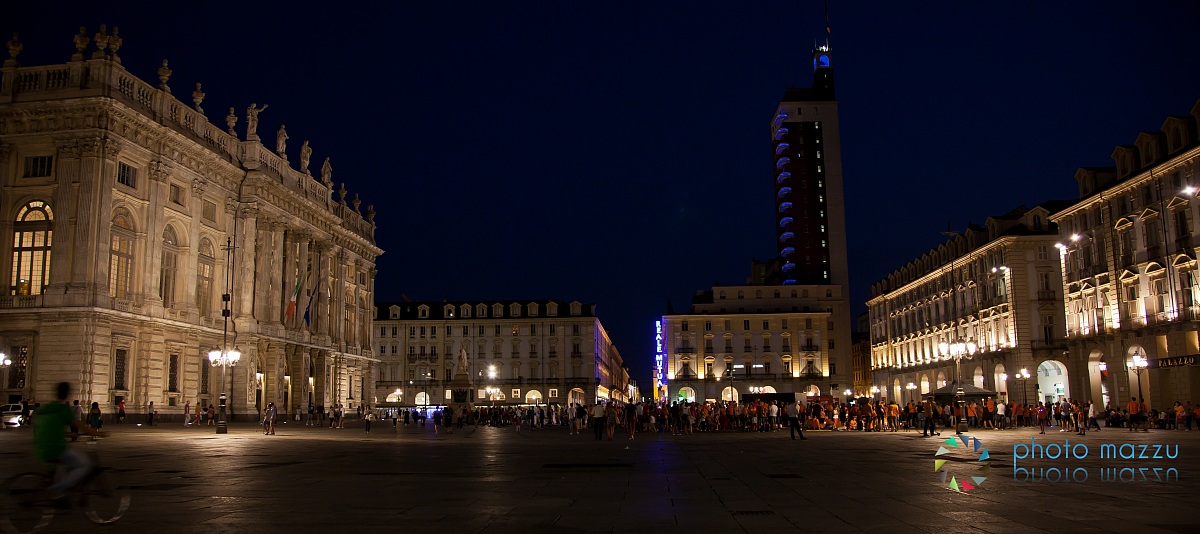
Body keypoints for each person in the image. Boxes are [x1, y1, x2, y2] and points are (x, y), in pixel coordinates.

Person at [34, 382, 98, 498]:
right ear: (67, 394)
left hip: (41, 448)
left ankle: (62, 495)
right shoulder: (63, 409)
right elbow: (79, 425)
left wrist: (68, 434)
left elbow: (50, 429)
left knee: (67, 464)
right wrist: (96, 433)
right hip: (56, 448)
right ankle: (57, 489)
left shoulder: (47, 408)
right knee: (85, 464)